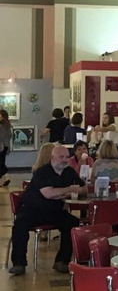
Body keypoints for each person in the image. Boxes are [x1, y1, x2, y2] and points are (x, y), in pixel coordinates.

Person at [9, 145, 86, 275]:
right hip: (31, 209)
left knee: (72, 223)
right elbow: (49, 193)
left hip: (53, 210)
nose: (64, 160)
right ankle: (19, 263)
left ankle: (62, 261)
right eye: (61, 157)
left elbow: (84, 188)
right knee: (20, 225)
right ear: (52, 158)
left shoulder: (69, 172)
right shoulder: (42, 172)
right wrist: (69, 189)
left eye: (67, 157)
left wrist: (74, 190)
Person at [0, 109, 11, 187]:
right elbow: (10, 136)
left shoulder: (2, 126)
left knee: (1, 163)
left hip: (1, 146)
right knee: (1, 163)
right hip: (5, 146)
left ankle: (5, 179)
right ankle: (7, 178)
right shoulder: (7, 125)